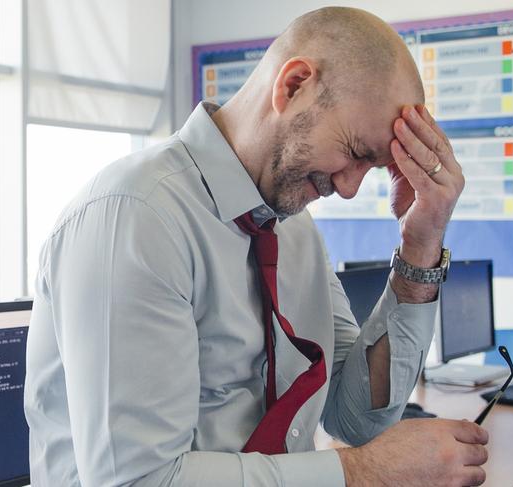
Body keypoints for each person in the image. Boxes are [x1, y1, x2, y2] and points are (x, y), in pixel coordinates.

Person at [24, 6, 488, 487]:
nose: (350, 188)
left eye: (369, 166)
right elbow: (141, 480)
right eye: (354, 151)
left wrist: (420, 245)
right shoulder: (136, 215)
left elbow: (356, 417)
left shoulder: (292, 228)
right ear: (293, 86)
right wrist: (365, 472)